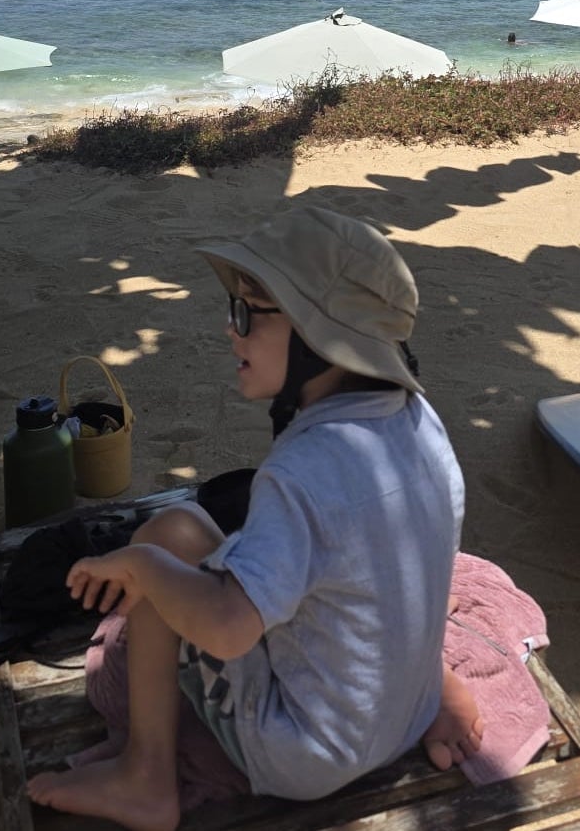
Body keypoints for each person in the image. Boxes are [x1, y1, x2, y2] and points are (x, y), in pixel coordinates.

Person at [27, 206, 482, 830]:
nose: (230, 330)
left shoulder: (300, 474)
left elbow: (227, 630)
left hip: (304, 756)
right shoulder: (418, 420)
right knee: (201, 539)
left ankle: (145, 778)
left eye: (248, 311)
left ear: (318, 334)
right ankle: (435, 682)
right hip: (403, 715)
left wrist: (141, 567)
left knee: (163, 544)